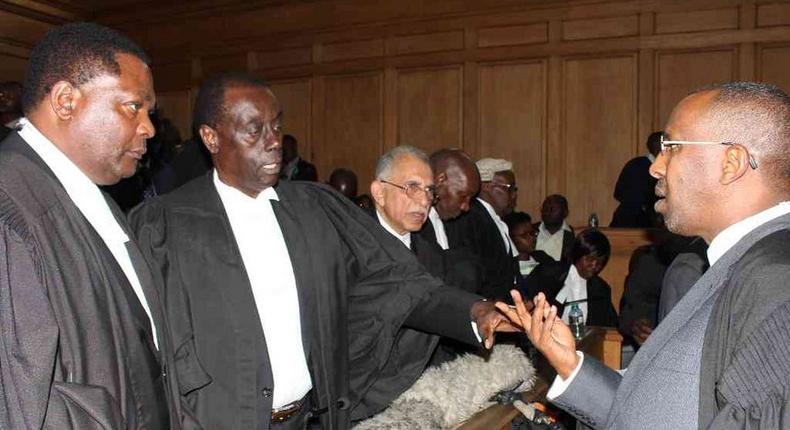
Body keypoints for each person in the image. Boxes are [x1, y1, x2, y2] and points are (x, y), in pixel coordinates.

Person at [129, 73, 516, 430]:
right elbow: (149, 353)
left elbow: (399, 279)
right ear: (211, 138)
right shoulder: (163, 226)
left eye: (277, 126)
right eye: (254, 129)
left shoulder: (315, 208)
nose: (273, 141)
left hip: (311, 419)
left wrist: (476, 311)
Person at [500, 82, 790, 429]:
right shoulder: (741, 265)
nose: (656, 167)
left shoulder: (777, 279)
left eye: (672, 147)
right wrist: (570, 364)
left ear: (731, 163)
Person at [0, 23, 178, 429]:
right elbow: (24, 407)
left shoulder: (89, 191)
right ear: (66, 100)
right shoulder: (10, 207)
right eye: (133, 107)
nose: (149, 127)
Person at [445, 157, 518, 300]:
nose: (513, 195)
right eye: (509, 188)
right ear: (485, 186)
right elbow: (471, 272)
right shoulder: (470, 217)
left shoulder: (491, 218)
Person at [518, 228, 617, 328]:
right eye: (589, 259)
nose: (594, 265)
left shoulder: (601, 289)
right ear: (578, 254)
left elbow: (609, 326)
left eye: (600, 262)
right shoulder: (549, 274)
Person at [610, 131, 662, 227]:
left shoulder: (636, 164)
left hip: (647, 224)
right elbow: (621, 193)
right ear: (656, 148)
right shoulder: (637, 166)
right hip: (632, 224)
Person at [504, 211, 553, 277]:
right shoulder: (505, 267)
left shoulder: (543, 259)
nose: (532, 238)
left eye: (532, 233)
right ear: (510, 238)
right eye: (524, 235)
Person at [535, 194, 574, 262]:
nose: (547, 212)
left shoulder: (571, 237)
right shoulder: (531, 231)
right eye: (545, 209)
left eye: (552, 209)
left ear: (565, 213)